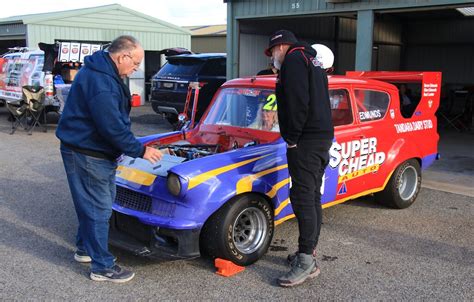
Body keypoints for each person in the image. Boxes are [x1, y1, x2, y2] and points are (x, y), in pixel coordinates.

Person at [56, 35, 163, 283]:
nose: (136, 68)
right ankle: (102, 266)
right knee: (99, 207)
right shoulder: (101, 81)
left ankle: (85, 248)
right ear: (122, 56)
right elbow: (111, 127)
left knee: (92, 203)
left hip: (87, 149)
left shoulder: (103, 71)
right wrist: (140, 150)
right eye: (135, 63)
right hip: (88, 153)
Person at [265, 30, 334, 287]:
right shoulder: (312, 61)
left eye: (272, 52)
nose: (272, 57)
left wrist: (291, 138)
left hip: (305, 139)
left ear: (280, 46)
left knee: (302, 196)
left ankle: (306, 260)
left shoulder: (293, 60)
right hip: (320, 137)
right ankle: (309, 253)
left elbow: (296, 102)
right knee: (312, 195)